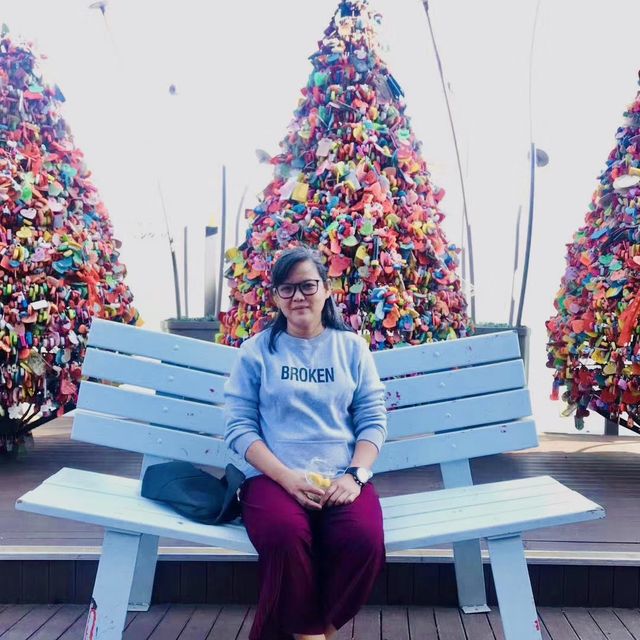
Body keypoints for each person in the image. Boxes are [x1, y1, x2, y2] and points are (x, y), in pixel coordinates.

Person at [224, 245, 387, 640]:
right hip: (273, 478)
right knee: (284, 535)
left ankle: (312, 631)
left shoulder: (351, 348)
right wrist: (284, 477)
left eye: (308, 285)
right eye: (287, 288)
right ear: (276, 297)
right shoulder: (257, 351)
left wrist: (355, 476)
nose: (298, 296)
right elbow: (239, 427)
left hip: (339, 477)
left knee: (364, 542)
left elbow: (372, 419)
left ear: (326, 289)